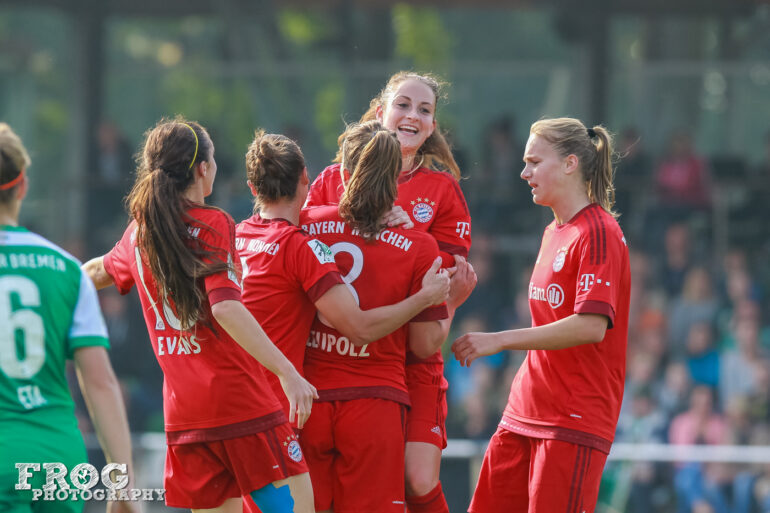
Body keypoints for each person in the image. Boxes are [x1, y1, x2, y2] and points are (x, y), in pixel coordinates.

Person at [82, 118, 317, 513]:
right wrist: (288, 373)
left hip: (186, 417)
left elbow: (92, 274)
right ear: (202, 169)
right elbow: (225, 307)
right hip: (243, 408)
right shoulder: (213, 222)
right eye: (212, 159)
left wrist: (42, 276)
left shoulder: (139, 233)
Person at [305, 71, 476, 513]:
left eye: (425, 110)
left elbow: (447, 286)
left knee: (417, 480)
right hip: (332, 357)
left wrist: (446, 297)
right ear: (380, 111)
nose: (412, 116)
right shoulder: (330, 180)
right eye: (403, 104)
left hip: (410, 358)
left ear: (433, 127)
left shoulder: (443, 192)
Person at [452, 117, 631, 513]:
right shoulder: (553, 231)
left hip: (572, 419)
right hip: (523, 411)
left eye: (534, 162)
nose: (524, 172)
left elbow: (590, 326)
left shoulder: (599, 232)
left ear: (569, 164)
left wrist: (499, 340)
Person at [236, 130, 450, 427]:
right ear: (304, 179)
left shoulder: (236, 235)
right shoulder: (301, 243)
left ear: (251, 187)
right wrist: (428, 298)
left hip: (228, 397)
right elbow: (363, 329)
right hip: (282, 405)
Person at [0, 123, 138, 513]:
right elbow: (99, 382)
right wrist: (122, 485)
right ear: (22, 185)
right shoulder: (66, 269)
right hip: (55, 464)